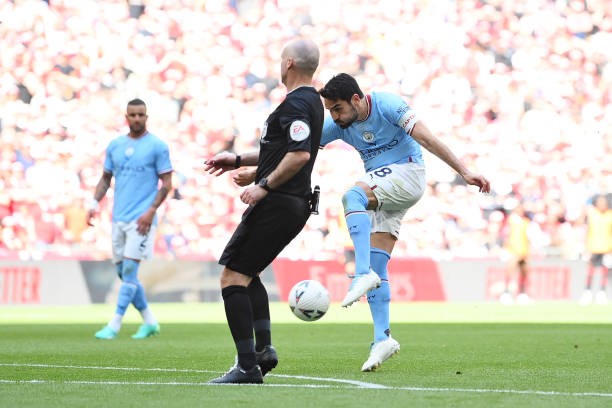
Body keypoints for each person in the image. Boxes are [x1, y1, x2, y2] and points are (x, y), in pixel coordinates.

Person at [317, 73, 490, 372]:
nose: (334, 116)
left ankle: (360, 274)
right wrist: (249, 167)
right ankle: (382, 339)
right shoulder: (341, 125)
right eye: (330, 110)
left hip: (407, 174)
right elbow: (296, 153)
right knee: (378, 265)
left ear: (356, 99)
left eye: (337, 109)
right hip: (385, 189)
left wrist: (464, 171)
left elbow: (426, 138)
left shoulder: (387, 105)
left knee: (352, 198)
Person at [203, 38, 323, 384]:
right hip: (292, 203)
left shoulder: (296, 104)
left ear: (288, 64)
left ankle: (246, 366)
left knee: (232, 276)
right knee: (249, 272)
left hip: (279, 201)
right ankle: (262, 351)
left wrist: (263, 185)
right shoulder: (311, 103)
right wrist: (237, 160)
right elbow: (284, 150)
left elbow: (299, 155)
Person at [88, 98, 173, 340]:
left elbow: (167, 184)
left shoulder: (157, 146)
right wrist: (94, 203)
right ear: (126, 117)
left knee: (128, 270)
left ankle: (114, 324)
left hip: (142, 220)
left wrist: (150, 211)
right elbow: (105, 178)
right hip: (119, 218)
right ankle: (149, 321)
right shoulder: (115, 145)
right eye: (132, 115)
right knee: (126, 275)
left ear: (147, 117)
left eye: (141, 115)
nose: (137, 118)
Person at [579, 194, 612, 305]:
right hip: (592, 247)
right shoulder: (592, 215)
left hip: (607, 248)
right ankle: (587, 291)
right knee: (590, 271)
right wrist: (585, 247)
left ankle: (601, 292)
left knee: (605, 271)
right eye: (600, 202)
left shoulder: (610, 215)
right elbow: (586, 230)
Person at [499, 200, 532, 305]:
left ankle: (522, 294)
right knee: (510, 271)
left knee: (524, 272)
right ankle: (506, 293)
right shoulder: (511, 221)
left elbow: (528, 237)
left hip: (523, 251)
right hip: (513, 251)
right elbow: (506, 235)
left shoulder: (526, 221)